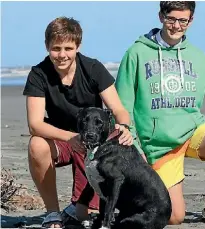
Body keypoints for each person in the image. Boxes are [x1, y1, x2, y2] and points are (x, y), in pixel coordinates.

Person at [115, 1, 205, 226]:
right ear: (161, 16)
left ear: (191, 21)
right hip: (158, 144)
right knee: (174, 217)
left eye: (183, 20)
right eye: (171, 18)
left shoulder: (197, 56)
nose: (176, 25)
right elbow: (122, 103)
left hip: (193, 131)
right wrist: (133, 144)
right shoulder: (136, 53)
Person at [23, 16, 134, 228]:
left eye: (68, 48)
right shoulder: (39, 74)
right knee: (36, 144)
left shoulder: (93, 69)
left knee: (84, 215)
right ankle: (52, 213)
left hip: (92, 142)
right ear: (47, 47)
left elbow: (118, 109)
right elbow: (35, 125)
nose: (62, 55)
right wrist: (71, 137)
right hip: (62, 139)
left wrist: (124, 127)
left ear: (77, 46)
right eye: (56, 48)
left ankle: (83, 207)